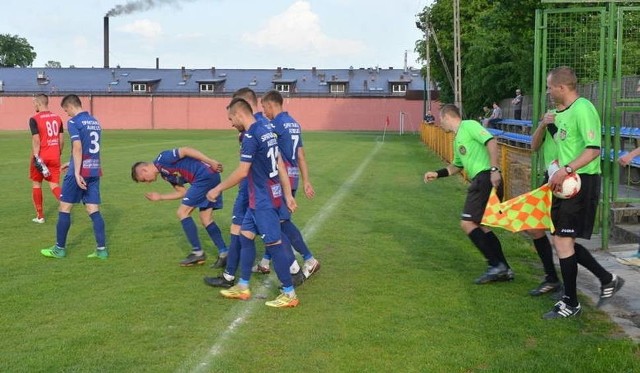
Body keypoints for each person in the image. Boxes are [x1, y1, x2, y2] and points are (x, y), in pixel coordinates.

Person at [542, 66, 624, 319]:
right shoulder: (562, 113)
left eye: (550, 87)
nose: (548, 91)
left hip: (581, 181)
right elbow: (564, 144)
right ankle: (607, 278)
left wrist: (564, 170)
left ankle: (571, 302)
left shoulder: (584, 108)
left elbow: (593, 150)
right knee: (561, 241)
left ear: (562, 87)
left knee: (564, 242)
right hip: (564, 183)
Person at [203, 88, 305, 289]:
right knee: (246, 235)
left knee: (274, 242)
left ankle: (289, 290)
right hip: (263, 195)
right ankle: (240, 285)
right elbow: (280, 164)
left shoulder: (251, 135)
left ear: (240, 111)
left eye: (231, 118)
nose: (231, 123)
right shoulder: (268, 130)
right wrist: (287, 194)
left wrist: (217, 189)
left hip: (262, 197)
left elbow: (243, 172)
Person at [424, 104, 513, 284]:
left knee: (467, 223)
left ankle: (495, 265)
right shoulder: (457, 140)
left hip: (485, 178)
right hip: (482, 179)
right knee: (482, 225)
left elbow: (491, 141)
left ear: (447, 117)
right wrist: (437, 173)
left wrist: (494, 169)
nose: (440, 124)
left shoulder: (470, 125)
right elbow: (456, 166)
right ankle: (504, 268)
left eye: (441, 120)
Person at [258, 89, 321, 278]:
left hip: (280, 179)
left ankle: (308, 259)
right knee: (278, 220)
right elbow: (300, 154)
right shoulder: (294, 123)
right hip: (292, 178)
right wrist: (306, 181)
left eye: (264, 107)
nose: (263, 112)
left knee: (281, 222)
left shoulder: (275, 125)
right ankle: (265, 262)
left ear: (271, 104)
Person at [131, 147, 227, 267]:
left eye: (144, 180)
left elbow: (186, 150)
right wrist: (160, 197)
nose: (148, 182)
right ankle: (224, 253)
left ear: (144, 170)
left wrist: (210, 161)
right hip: (210, 177)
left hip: (204, 176)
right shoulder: (165, 175)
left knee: (182, 212)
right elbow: (182, 193)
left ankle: (197, 252)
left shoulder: (163, 158)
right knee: (205, 218)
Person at [40, 94, 107, 259]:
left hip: (79, 173)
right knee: (93, 209)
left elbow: (77, 147)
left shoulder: (73, 122)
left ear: (70, 106)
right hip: (93, 170)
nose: (67, 114)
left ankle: (59, 249)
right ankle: (101, 250)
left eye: (66, 110)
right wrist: (71, 163)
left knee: (64, 208)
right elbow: (90, 149)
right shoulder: (95, 122)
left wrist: (76, 172)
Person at [29, 94, 64, 223]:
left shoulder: (34, 119)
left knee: (37, 184)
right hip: (55, 156)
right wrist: (57, 153)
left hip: (41, 156)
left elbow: (36, 140)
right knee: (54, 185)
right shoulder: (57, 118)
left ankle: (40, 216)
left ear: (38, 103)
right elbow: (61, 140)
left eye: (34, 103)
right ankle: (66, 205)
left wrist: (37, 157)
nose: (34, 106)